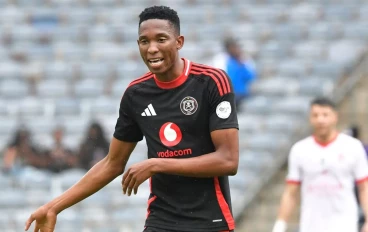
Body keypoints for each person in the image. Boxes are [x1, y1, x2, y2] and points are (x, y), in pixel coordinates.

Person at [25, 6, 239, 232]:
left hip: (210, 222)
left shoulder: (212, 82)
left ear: (179, 42)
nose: (152, 48)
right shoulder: (136, 94)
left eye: (161, 39)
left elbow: (228, 161)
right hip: (161, 221)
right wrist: (53, 207)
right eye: (144, 41)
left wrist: (157, 164)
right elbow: (112, 163)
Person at [272, 97, 368, 232]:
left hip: (344, 224)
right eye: (315, 115)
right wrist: (280, 224)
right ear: (310, 118)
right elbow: (291, 192)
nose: (320, 120)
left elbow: (364, 187)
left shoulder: (353, 147)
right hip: (310, 225)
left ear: (335, 117)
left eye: (325, 115)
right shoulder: (300, 150)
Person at [212, 37, 257, 111]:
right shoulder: (221, 60)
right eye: (233, 47)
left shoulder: (244, 59)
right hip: (227, 94)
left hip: (243, 94)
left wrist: (241, 63)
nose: (236, 49)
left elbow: (251, 76)